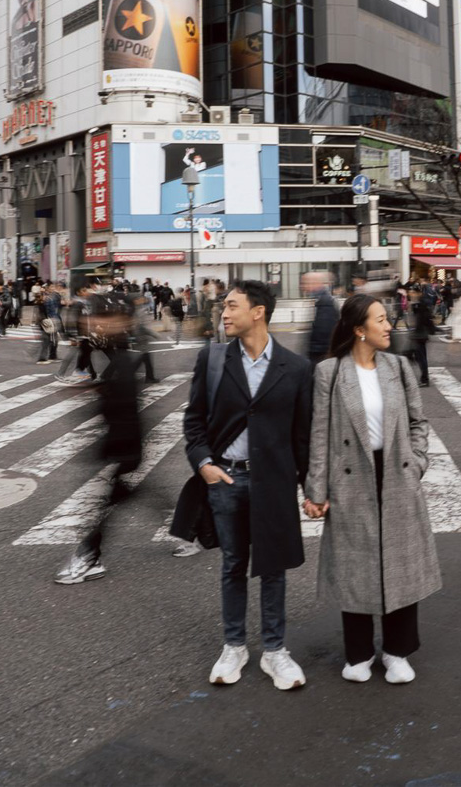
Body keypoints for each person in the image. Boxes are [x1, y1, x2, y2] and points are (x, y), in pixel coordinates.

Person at [178, 281, 313, 690]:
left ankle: (275, 651)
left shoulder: (296, 368)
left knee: (273, 566)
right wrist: (204, 464)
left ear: (259, 312)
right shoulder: (215, 359)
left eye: (232, 305)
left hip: (274, 480)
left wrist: (312, 489)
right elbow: (194, 419)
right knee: (233, 565)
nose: (224, 312)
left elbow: (302, 435)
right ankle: (234, 645)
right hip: (227, 477)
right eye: (224, 306)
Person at [303, 293, 440, 684]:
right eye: (380, 319)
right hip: (351, 475)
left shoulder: (398, 367)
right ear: (358, 329)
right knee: (355, 565)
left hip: (396, 472)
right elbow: (320, 434)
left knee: (401, 562)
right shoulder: (330, 372)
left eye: (388, 318)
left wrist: (417, 462)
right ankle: (359, 653)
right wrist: (316, 489)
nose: (388, 326)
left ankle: (398, 651)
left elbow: (419, 421)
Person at [54, 296, 145, 584]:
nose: (100, 325)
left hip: (123, 448)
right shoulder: (117, 356)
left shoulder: (125, 363)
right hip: (121, 447)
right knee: (129, 496)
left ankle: (90, 558)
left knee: (102, 505)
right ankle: (194, 529)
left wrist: (116, 453)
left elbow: (125, 411)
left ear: (123, 323)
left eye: (108, 320)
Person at [303, 272, 339, 366]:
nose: (303, 286)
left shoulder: (324, 301)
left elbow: (324, 331)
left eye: (306, 283)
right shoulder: (319, 299)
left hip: (320, 355)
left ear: (315, 283)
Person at [37, 284, 62, 365]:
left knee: (53, 339)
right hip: (47, 322)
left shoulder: (49, 298)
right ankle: (42, 358)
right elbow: (49, 311)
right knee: (47, 340)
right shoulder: (47, 299)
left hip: (48, 321)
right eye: (52, 287)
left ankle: (52, 356)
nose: (53, 289)